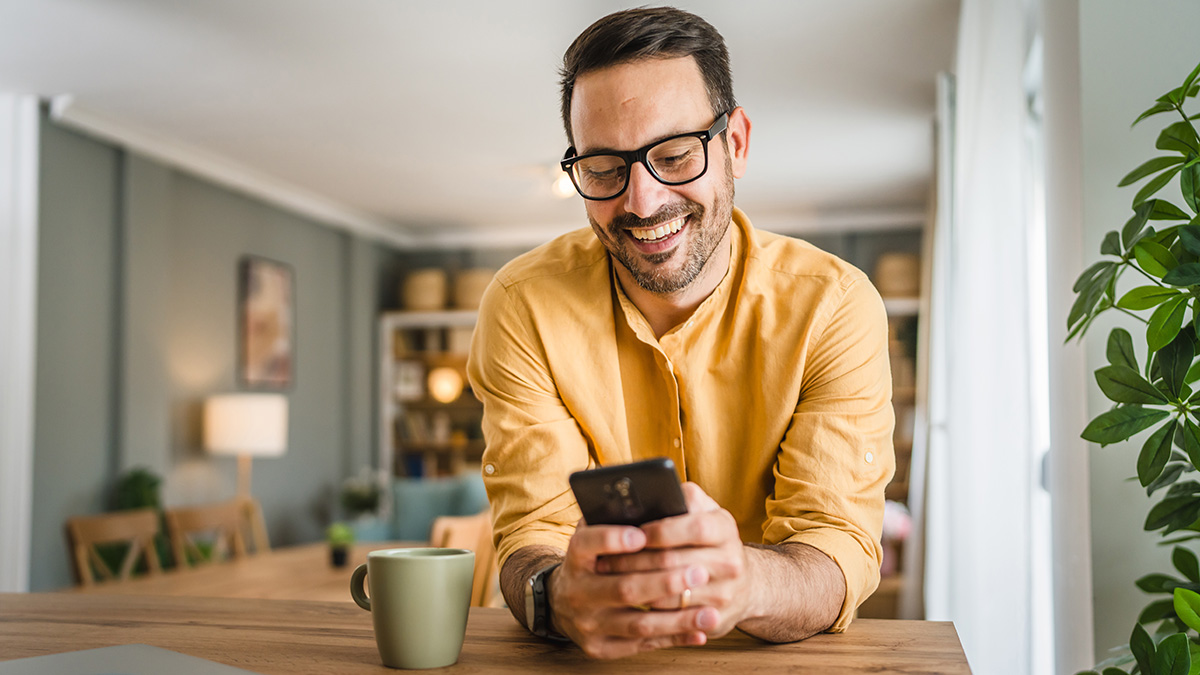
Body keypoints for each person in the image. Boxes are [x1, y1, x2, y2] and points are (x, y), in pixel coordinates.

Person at [466, 6, 894, 660]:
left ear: (737, 144)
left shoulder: (834, 307)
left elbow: (835, 546)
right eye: (605, 168)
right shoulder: (522, 306)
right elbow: (530, 534)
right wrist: (556, 595)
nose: (641, 201)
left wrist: (743, 581)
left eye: (673, 154)